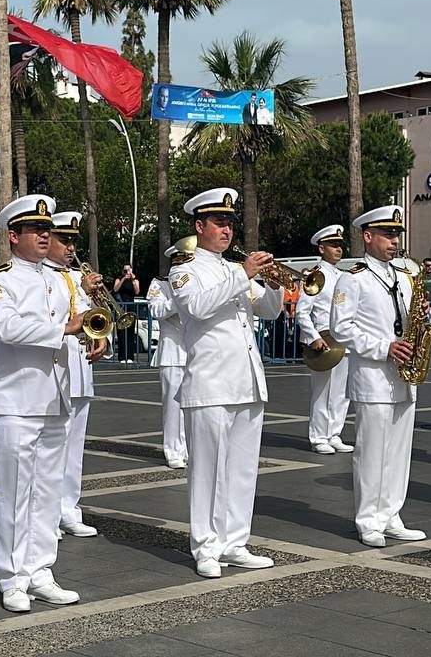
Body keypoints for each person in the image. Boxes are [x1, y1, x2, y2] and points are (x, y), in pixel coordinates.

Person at [0, 194, 88, 612]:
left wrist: (96, 336)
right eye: (35, 229)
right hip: (14, 401)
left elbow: (85, 318)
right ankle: (11, 577)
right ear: (13, 235)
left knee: (46, 492)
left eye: (47, 229)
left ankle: (41, 571)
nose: (46, 235)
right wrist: (66, 327)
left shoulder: (59, 278)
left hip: (55, 398)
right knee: (13, 494)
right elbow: (8, 327)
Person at [168, 187, 283, 578]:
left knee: (242, 469)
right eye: (219, 222)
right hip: (210, 384)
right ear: (199, 226)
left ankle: (235, 542)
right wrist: (242, 273)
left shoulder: (234, 269)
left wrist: (272, 281)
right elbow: (197, 308)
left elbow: (269, 311)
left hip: (247, 382)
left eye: (230, 223)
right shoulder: (184, 269)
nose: (227, 229)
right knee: (207, 471)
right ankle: (205, 546)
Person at [329, 206, 426, 548]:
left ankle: (391, 514)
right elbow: (341, 329)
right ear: (367, 237)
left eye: (396, 234)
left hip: (403, 375)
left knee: (399, 450)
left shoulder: (403, 276)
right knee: (371, 452)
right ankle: (368, 518)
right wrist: (384, 347)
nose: (394, 241)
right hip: (373, 375)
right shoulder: (351, 277)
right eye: (387, 234)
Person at [44, 211, 108, 539]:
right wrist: (83, 290)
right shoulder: (42, 276)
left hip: (80, 369)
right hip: (54, 370)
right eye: (63, 240)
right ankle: (47, 514)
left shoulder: (73, 276)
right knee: (51, 447)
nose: (70, 247)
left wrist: (101, 336)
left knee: (74, 446)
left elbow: (92, 317)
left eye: (73, 241)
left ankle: (69, 508)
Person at [296, 224, 354, 455]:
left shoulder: (344, 276)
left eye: (340, 245)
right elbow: (302, 311)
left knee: (341, 392)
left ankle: (334, 433)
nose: (338, 249)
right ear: (321, 248)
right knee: (322, 391)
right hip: (324, 338)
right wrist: (313, 337)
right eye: (333, 245)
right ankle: (319, 436)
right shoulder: (315, 276)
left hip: (343, 339)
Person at [148, 244, 189, 469]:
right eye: (180, 260)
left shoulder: (195, 282)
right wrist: (179, 299)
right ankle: (173, 450)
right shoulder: (160, 284)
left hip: (195, 352)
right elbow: (156, 311)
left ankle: (189, 448)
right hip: (172, 353)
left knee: (193, 406)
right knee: (173, 408)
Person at [112, 264, 140, 363]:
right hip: (121, 306)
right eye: (125, 270)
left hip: (130, 306)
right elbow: (115, 289)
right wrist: (123, 279)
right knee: (121, 332)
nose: (126, 272)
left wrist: (132, 280)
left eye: (128, 270)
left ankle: (130, 356)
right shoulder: (119, 279)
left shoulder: (135, 280)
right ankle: (122, 357)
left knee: (130, 332)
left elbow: (137, 291)